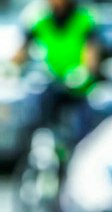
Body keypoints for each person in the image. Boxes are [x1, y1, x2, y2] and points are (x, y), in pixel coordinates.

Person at [12, 0, 100, 141]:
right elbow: (23, 50)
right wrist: (10, 67)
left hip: (78, 86)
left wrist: (84, 72)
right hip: (52, 83)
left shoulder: (84, 17)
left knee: (82, 131)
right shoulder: (41, 18)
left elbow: (92, 52)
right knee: (37, 123)